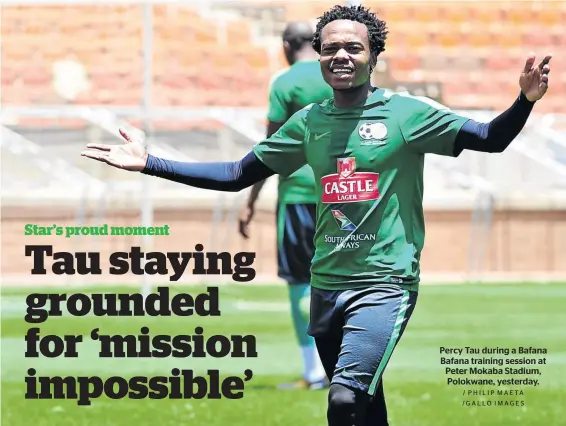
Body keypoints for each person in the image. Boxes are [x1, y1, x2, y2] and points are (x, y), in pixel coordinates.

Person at [81, 5, 551, 425]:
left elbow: (490, 137)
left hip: (384, 284)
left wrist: (524, 102)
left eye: (353, 47)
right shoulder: (309, 121)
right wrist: (150, 163)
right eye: (330, 49)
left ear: (374, 56)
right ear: (318, 56)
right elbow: (236, 174)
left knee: (343, 400)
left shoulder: (408, 114)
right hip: (326, 284)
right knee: (366, 408)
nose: (340, 56)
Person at [238, 20, 333, 391]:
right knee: (343, 282)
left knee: (300, 285)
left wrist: (251, 200)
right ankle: (344, 368)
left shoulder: (285, 82)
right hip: (343, 195)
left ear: (285, 45)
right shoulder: (340, 76)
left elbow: (269, 151)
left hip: (297, 197)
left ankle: (312, 372)